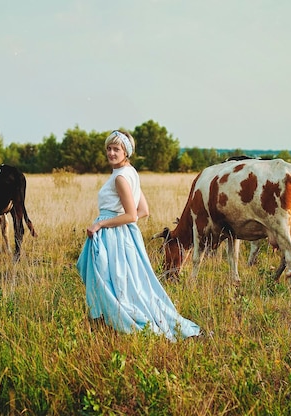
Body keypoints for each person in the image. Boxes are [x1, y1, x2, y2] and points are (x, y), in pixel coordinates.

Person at [76, 130, 200, 341]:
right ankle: (107, 318)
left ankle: (115, 319)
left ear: (126, 152)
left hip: (113, 235)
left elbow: (132, 215)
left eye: (117, 149)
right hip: (124, 234)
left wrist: (101, 224)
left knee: (110, 278)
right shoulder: (130, 172)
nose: (111, 153)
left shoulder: (121, 178)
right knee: (125, 279)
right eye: (109, 148)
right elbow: (144, 210)